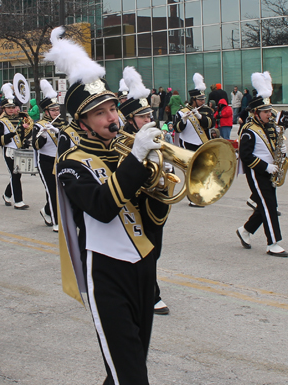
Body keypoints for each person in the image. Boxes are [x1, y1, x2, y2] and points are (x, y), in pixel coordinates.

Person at [46, 27, 171, 384]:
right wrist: (136, 160)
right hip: (105, 270)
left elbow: (153, 218)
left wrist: (161, 186)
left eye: (113, 107)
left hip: (144, 265)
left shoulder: (126, 149)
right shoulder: (70, 162)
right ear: (82, 122)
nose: (112, 117)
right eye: (100, 112)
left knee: (130, 365)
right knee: (130, 374)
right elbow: (101, 206)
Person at [119, 65, 174, 316]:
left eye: (150, 114)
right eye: (143, 116)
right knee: (146, 248)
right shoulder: (122, 140)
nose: (149, 120)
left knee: (156, 248)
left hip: (157, 200)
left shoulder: (156, 134)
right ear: (131, 119)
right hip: (136, 201)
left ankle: (139, 285)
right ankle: (151, 294)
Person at [236, 71, 287, 257]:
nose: (269, 114)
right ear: (256, 113)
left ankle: (245, 231)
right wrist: (266, 166)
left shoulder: (268, 127)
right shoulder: (249, 130)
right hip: (257, 173)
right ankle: (273, 243)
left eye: (269, 111)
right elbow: (245, 156)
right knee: (269, 206)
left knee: (266, 205)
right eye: (266, 112)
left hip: (269, 172)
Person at [174, 73, 216, 207]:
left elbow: (211, 124)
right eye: (200, 99)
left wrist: (199, 116)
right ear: (193, 99)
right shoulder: (181, 112)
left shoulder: (207, 110)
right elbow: (178, 129)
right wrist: (184, 120)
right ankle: (192, 197)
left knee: (204, 170)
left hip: (203, 144)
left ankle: (202, 194)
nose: (203, 101)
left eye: (203, 99)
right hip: (189, 144)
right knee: (192, 171)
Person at [0, 83, 33, 209]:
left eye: (12, 107)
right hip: (8, 151)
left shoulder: (19, 119)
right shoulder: (1, 123)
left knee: (17, 174)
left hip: (19, 150)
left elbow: (23, 135)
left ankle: (6, 194)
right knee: (15, 174)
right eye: (8, 108)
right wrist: (11, 135)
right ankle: (18, 201)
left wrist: (26, 131)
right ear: (3, 109)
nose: (11, 109)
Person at [32, 80, 66, 232]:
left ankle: (46, 211)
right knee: (52, 189)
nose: (56, 113)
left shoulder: (63, 123)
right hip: (45, 161)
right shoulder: (39, 125)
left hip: (60, 160)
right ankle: (56, 221)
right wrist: (44, 135)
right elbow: (35, 146)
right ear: (46, 112)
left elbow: (70, 141)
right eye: (53, 111)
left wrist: (58, 132)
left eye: (57, 109)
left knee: (62, 190)